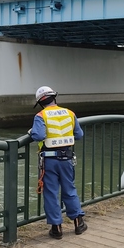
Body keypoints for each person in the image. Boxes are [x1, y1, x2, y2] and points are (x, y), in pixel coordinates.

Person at [29, 86, 87, 239]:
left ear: (40, 103)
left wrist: (32, 132)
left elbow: (39, 135)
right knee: (69, 189)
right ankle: (78, 223)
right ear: (54, 97)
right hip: (66, 158)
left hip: (49, 160)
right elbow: (79, 135)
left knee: (51, 193)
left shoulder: (41, 116)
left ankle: (57, 228)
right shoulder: (70, 113)